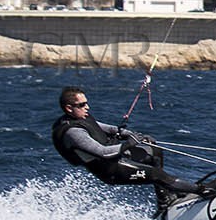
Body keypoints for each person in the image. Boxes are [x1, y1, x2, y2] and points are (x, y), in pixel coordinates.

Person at [52, 87, 206, 206]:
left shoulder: (82, 118)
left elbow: (108, 129)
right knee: (156, 174)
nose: (88, 107)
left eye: (87, 103)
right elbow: (103, 152)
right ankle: (203, 190)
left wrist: (132, 135)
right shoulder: (73, 132)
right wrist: (128, 145)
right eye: (82, 105)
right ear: (68, 108)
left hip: (118, 159)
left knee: (154, 150)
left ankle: (164, 199)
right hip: (111, 171)